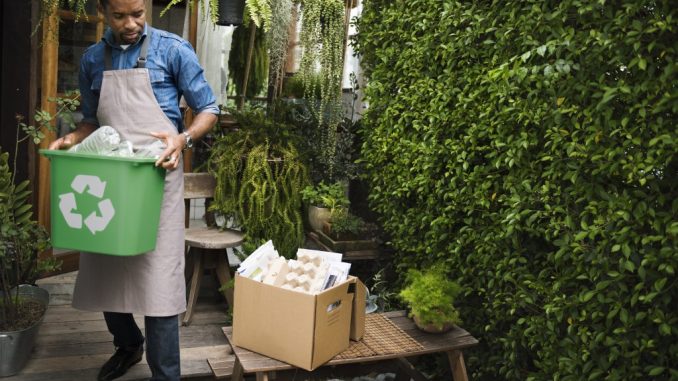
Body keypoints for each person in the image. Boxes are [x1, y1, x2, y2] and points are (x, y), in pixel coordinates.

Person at [48, 0, 219, 380]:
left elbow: (208, 108)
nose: (130, 24)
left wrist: (183, 139)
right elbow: (91, 121)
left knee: (160, 281)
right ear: (103, 11)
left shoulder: (173, 50)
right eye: (120, 15)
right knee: (108, 273)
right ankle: (127, 346)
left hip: (156, 177)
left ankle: (166, 374)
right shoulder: (94, 59)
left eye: (138, 14)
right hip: (112, 182)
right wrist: (71, 138)